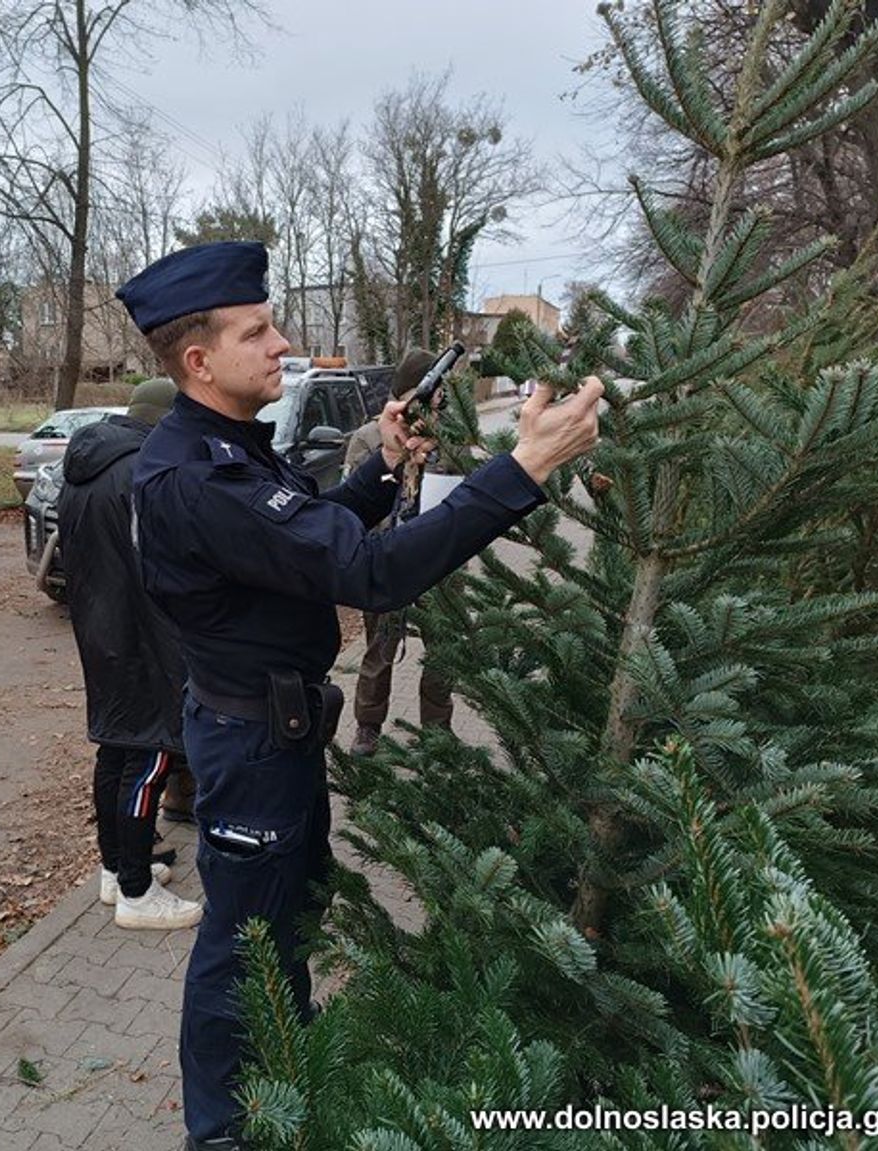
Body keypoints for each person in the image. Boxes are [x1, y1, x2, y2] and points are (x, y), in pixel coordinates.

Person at [117, 240, 603, 1150]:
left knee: (282, 921)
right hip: (250, 740)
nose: (281, 342)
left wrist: (383, 462)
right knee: (242, 948)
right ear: (198, 361)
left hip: (275, 731)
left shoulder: (226, 449)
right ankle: (223, 1130)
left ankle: (288, 1086)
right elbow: (369, 573)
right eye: (257, 331)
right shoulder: (196, 474)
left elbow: (311, 536)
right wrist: (523, 471)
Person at [58, 377, 204, 931]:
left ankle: (116, 869)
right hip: (145, 635)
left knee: (116, 752)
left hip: (99, 631)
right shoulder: (144, 472)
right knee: (149, 756)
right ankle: (138, 895)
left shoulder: (85, 465)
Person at [342, 347, 453, 755]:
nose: (437, 399)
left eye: (440, 393)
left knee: (444, 650)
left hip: (441, 562)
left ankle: (438, 730)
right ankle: (368, 726)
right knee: (379, 649)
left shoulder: (451, 436)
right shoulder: (371, 437)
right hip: (388, 556)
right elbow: (355, 503)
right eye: (429, 391)